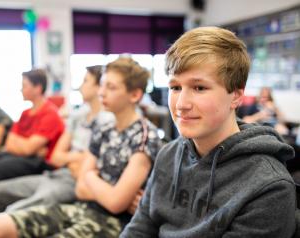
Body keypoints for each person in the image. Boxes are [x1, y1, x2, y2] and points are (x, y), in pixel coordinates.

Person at [120, 26, 296, 237]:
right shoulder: (168, 155)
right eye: (175, 87)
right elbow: (140, 227)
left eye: (199, 88)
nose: (181, 104)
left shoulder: (269, 187)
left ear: (236, 95)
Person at [0, 56, 163, 238]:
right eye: (102, 85)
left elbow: (115, 204)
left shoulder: (145, 136)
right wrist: (102, 186)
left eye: (112, 87)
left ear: (135, 95)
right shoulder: (104, 128)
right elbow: (81, 189)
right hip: (81, 208)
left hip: (113, 222)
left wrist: (91, 178)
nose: (102, 93)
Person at [0, 65, 113, 224]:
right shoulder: (78, 116)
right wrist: (77, 158)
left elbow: (89, 168)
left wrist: (71, 159)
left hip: (72, 180)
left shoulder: (108, 122)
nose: (80, 86)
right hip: (56, 174)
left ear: (99, 87)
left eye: (85, 81)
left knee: (7, 215)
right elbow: (55, 156)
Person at [0, 69, 64, 238]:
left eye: (24, 86)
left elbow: (29, 149)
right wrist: (25, 145)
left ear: (37, 88)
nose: (21, 90)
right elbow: (11, 142)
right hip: (20, 155)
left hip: (36, 162)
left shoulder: (50, 113)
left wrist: (23, 145)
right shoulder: (25, 113)